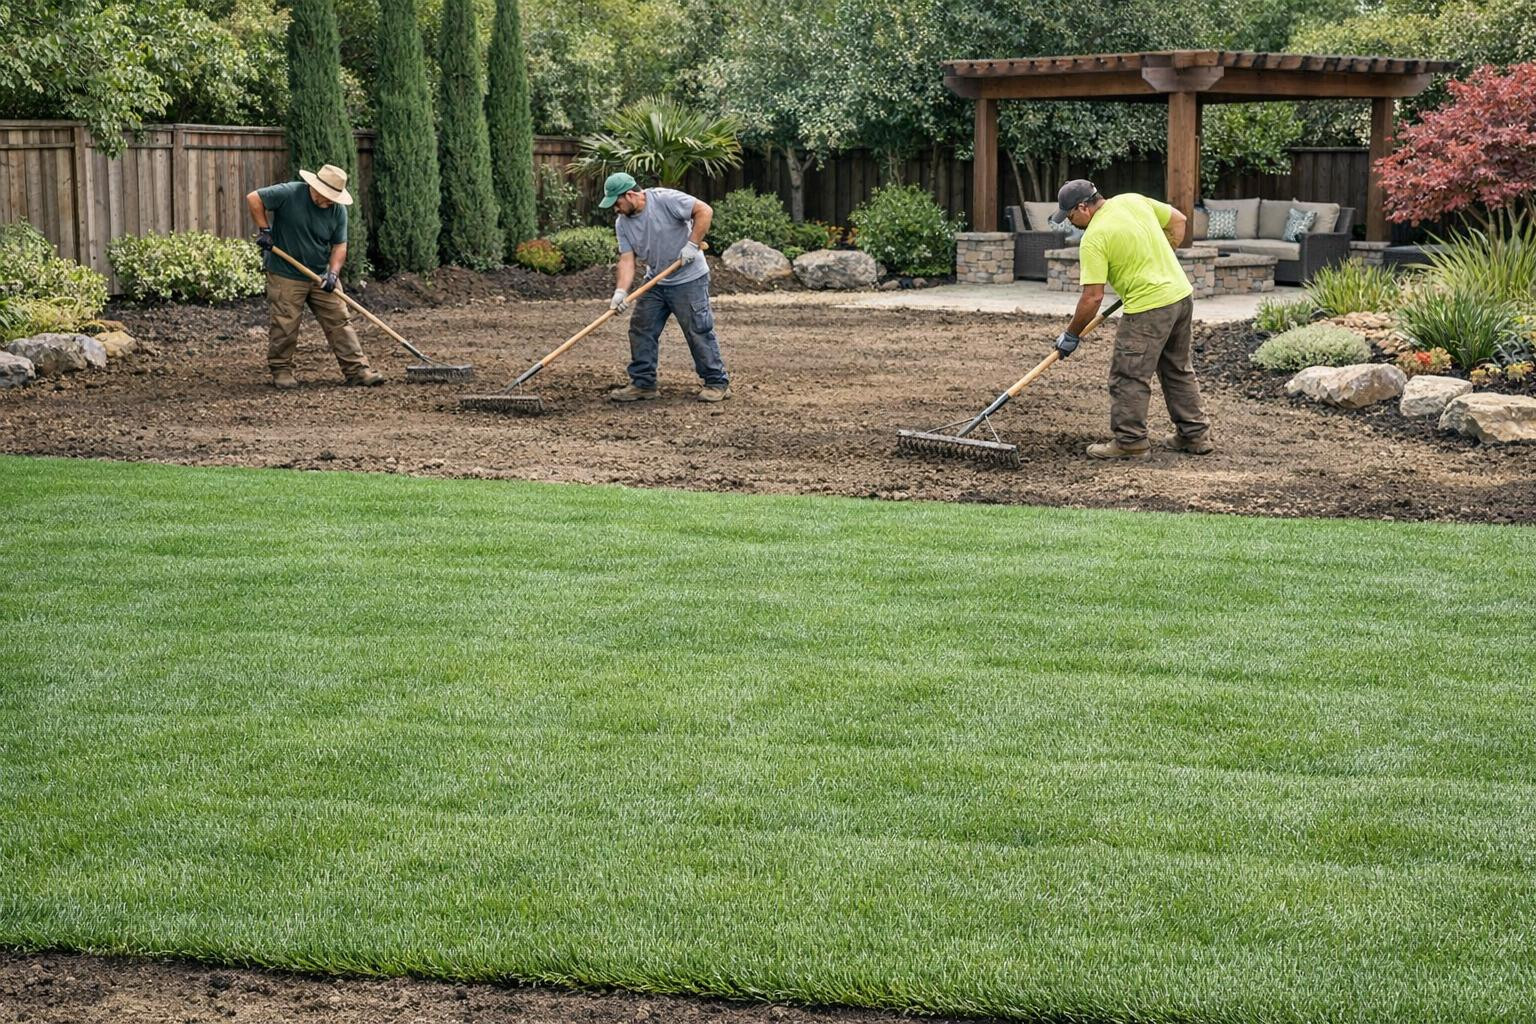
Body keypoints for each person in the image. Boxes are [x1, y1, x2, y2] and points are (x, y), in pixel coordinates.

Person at [1049, 179, 1211, 459]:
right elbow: (1179, 221)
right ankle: (1194, 435)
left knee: (1128, 374)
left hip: (1149, 307)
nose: (1070, 222)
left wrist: (1072, 334)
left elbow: (1093, 298)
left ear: (1083, 207)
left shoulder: (1094, 238)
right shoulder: (1132, 200)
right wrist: (1159, 261)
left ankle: (1130, 442)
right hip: (1181, 296)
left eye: (1070, 216)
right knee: (1177, 369)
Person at [245, 164, 382, 389]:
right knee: (285, 323)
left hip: (319, 274)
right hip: (285, 274)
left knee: (339, 320)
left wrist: (333, 273)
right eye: (327, 196)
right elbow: (254, 198)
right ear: (315, 188)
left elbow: (340, 245)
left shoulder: (337, 210)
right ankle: (281, 370)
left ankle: (358, 371)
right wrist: (265, 231)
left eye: (334, 198)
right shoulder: (289, 193)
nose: (330, 201)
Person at [600, 172, 731, 403]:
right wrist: (620, 292)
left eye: (617, 203)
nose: (615, 209)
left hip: (689, 278)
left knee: (697, 330)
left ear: (630, 195)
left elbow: (705, 211)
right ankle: (643, 384)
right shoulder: (622, 223)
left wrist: (691, 245)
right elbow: (627, 259)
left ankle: (717, 382)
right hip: (657, 280)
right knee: (641, 327)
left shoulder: (665, 199)